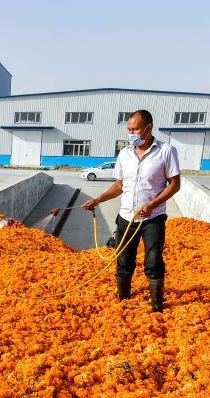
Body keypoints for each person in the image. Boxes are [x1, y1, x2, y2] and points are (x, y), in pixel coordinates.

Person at [81, 109, 181, 312]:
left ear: (148, 128)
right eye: (129, 129)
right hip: (126, 217)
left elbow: (175, 184)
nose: (131, 133)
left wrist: (152, 204)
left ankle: (156, 306)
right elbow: (119, 186)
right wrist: (98, 200)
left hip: (153, 218)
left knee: (153, 261)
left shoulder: (166, 152)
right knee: (124, 260)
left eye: (135, 129)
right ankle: (123, 300)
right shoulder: (125, 154)